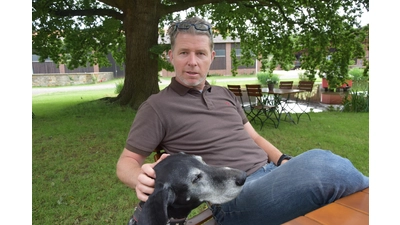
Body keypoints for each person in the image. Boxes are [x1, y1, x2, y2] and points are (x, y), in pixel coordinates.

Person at [116, 16, 369, 225]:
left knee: (326, 176)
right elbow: (126, 162)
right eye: (184, 52)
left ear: (211, 57)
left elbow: (254, 136)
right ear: (171, 56)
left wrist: (281, 160)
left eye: (200, 53)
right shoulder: (157, 107)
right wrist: (141, 177)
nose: (192, 62)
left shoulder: (225, 95)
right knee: (324, 165)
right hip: (233, 197)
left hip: (271, 175)